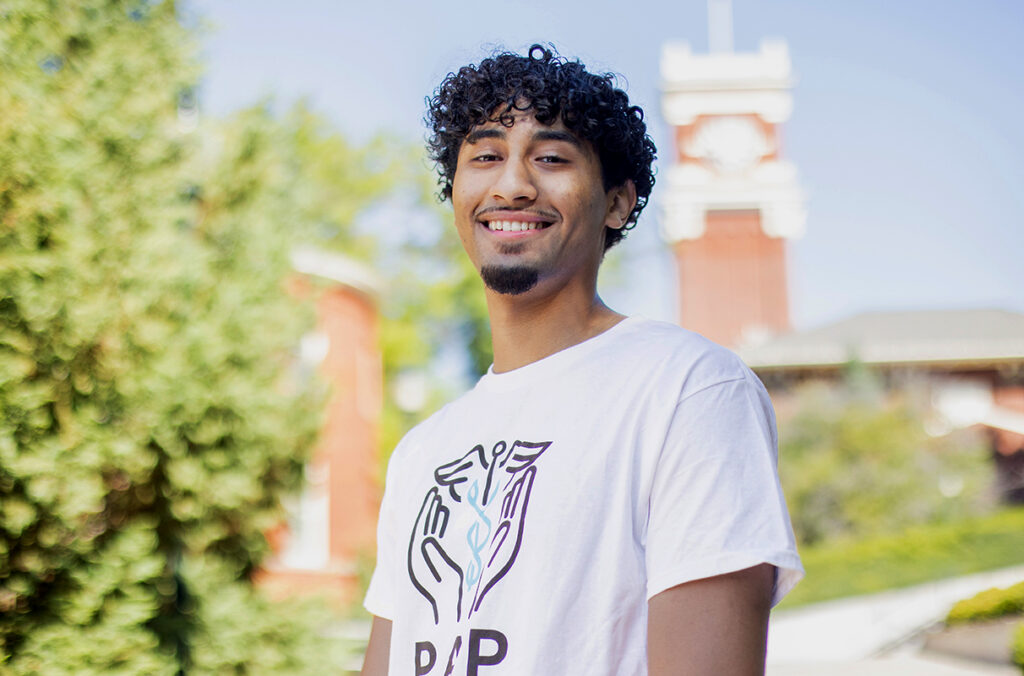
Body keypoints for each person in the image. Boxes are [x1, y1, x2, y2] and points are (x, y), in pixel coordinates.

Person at [361, 45, 802, 676]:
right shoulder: (422, 452)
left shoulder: (690, 391)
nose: (511, 184)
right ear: (457, 194)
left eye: (551, 157)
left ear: (618, 204)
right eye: (485, 156)